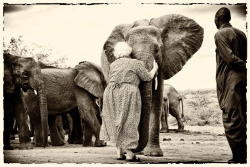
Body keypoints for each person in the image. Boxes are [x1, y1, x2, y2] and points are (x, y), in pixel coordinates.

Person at [100, 42, 158, 162]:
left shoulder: (113, 64)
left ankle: (119, 152)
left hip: (110, 92)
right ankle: (130, 154)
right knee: (129, 121)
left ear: (117, 53)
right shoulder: (135, 63)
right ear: (129, 51)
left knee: (116, 121)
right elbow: (147, 77)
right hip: (128, 92)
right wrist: (155, 68)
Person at [214, 7, 247, 163]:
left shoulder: (220, 34)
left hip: (231, 80)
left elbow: (231, 59)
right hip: (243, 79)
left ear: (217, 19)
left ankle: (240, 157)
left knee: (231, 118)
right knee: (243, 116)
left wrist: (244, 65)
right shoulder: (241, 33)